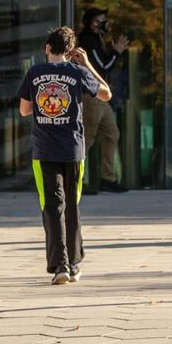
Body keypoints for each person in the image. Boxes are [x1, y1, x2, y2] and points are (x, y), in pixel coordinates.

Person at [19, 25, 108, 284]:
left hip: (44, 150)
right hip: (73, 149)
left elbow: (24, 110)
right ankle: (74, 262)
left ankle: (60, 266)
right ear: (70, 52)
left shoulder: (35, 73)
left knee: (52, 206)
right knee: (72, 205)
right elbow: (106, 94)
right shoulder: (77, 71)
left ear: (47, 48)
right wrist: (88, 64)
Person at [74, 7, 130, 193]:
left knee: (112, 133)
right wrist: (117, 52)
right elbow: (101, 66)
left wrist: (113, 51)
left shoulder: (96, 39)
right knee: (86, 139)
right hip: (91, 96)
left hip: (100, 97)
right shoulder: (88, 41)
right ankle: (76, 181)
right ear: (93, 23)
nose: (106, 23)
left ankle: (108, 178)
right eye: (102, 19)